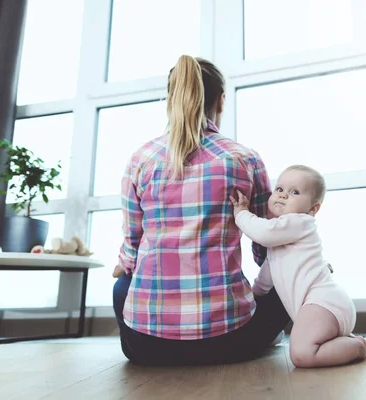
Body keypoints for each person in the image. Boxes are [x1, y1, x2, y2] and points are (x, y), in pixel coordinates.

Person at [112, 55, 290, 366]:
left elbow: (132, 244)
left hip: (145, 347)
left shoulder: (141, 159)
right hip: (230, 341)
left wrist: (126, 265)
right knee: (287, 281)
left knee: (121, 286)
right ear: (221, 102)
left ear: (171, 98)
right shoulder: (244, 159)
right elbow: (266, 247)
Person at [230, 165, 366, 368]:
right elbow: (264, 282)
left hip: (325, 303)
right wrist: (251, 299)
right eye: (279, 189)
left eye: (294, 192)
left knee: (301, 354)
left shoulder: (300, 222)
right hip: (322, 309)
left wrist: (241, 214)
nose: (283, 196)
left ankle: (360, 346)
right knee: (304, 347)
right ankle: (343, 342)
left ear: (313, 209)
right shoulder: (280, 240)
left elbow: (263, 233)